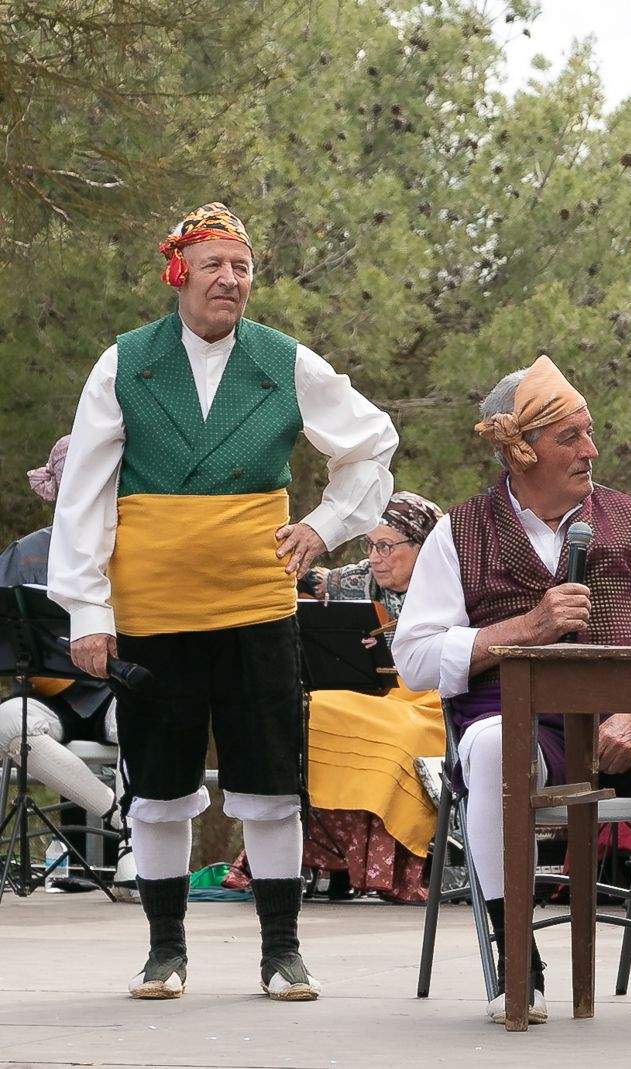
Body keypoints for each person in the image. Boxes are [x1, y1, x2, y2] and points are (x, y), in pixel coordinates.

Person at [48, 203, 399, 1001]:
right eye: (214, 265)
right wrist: (88, 612)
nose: (231, 280)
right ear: (180, 272)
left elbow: (372, 441)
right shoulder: (124, 362)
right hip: (150, 611)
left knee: (272, 779)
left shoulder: (284, 359)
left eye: (242, 267)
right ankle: (164, 953)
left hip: (256, 606)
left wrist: (322, 525)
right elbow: (85, 494)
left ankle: (283, 951)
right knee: (161, 783)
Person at [392, 358, 631, 1024]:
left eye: (590, 432)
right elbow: (414, 659)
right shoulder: (456, 533)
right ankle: (519, 964)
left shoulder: (630, 520)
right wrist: (527, 626)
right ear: (522, 450)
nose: (591, 450)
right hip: (523, 729)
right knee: (490, 749)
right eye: (571, 437)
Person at [223, 492, 448, 903]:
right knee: (311, 714)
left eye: (387, 546)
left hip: (431, 700)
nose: (376, 557)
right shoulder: (363, 578)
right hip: (375, 696)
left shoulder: (453, 582)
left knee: (398, 737)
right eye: (370, 545)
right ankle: (309, 858)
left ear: (423, 546)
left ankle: (389, 866)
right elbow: (313, 579)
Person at [0, 437, 126, 881]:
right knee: (7, 723)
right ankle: (119, 818)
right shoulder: (26, 553)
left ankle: (133, 856)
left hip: (116, 692)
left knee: (148, 714)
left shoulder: (136, 549)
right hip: (48, 696)